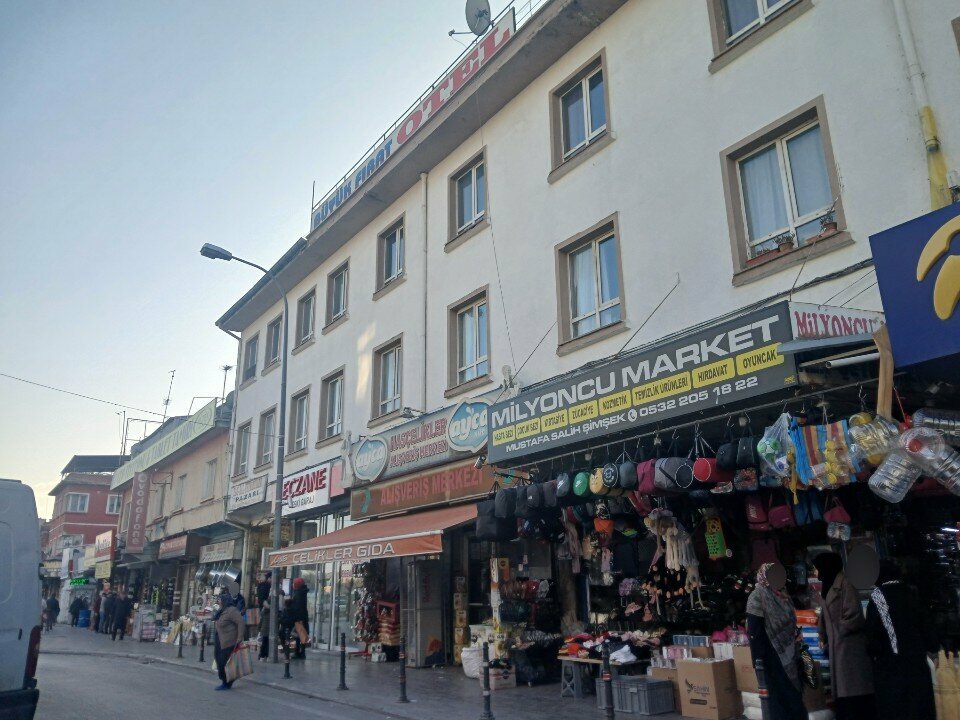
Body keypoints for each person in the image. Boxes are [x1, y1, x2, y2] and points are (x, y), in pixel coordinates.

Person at [865, 560, 938, 720]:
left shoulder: (878, 598)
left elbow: (873, 639)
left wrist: (874, 656)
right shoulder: (911, 593)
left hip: (891, 668)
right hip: (917, 666)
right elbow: (928, 630)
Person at [815, 552, 875, 720]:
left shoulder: (845, 585)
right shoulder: (829, 585)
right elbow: (825, 614)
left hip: (849, 647)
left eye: (817, 567)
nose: (815, 571)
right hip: (837, 645)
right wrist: (823, 635)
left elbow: (854, 615)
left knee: (852, 689)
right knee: (843, 689)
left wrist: (838, 631)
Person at [746, 563, 807, 720]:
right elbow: (755, 631)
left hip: (790, 654)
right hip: (771, 656)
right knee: (778, 700)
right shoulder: (757, 596)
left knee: (794, 696)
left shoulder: (782, 594)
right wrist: (758, 661)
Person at [213, 589, 245, 690]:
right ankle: (224, 680)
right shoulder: (222, 611)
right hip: (220, 639)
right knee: (218, 660)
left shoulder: (232, 610)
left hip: (228, 641)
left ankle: (227, 682)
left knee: (224, 662)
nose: (219, 602)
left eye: (220, 600)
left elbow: (240, 622)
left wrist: (240, 637)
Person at [290, 577, 310, 658]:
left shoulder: (298, 594)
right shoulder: (302, 592)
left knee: (299, 636)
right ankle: (301, 652)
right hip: (303, 616)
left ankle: (299, 652)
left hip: (299, 618)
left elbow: (297, 607)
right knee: (302, 635)